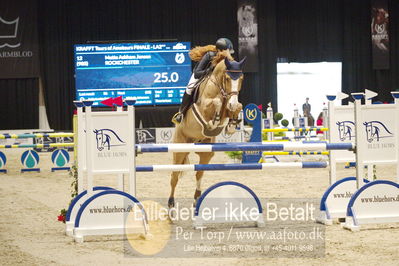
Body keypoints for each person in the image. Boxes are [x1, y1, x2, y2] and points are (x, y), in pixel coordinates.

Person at [171, 38, 234, 124]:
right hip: (201, 75)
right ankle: (181, 113)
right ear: (221, 50)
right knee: (189, 88)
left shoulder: (225, 60)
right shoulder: (209, 55)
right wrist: (210, 70)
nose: (229, 54)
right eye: (227, 51)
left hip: (215, 80)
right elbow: (197, 73)